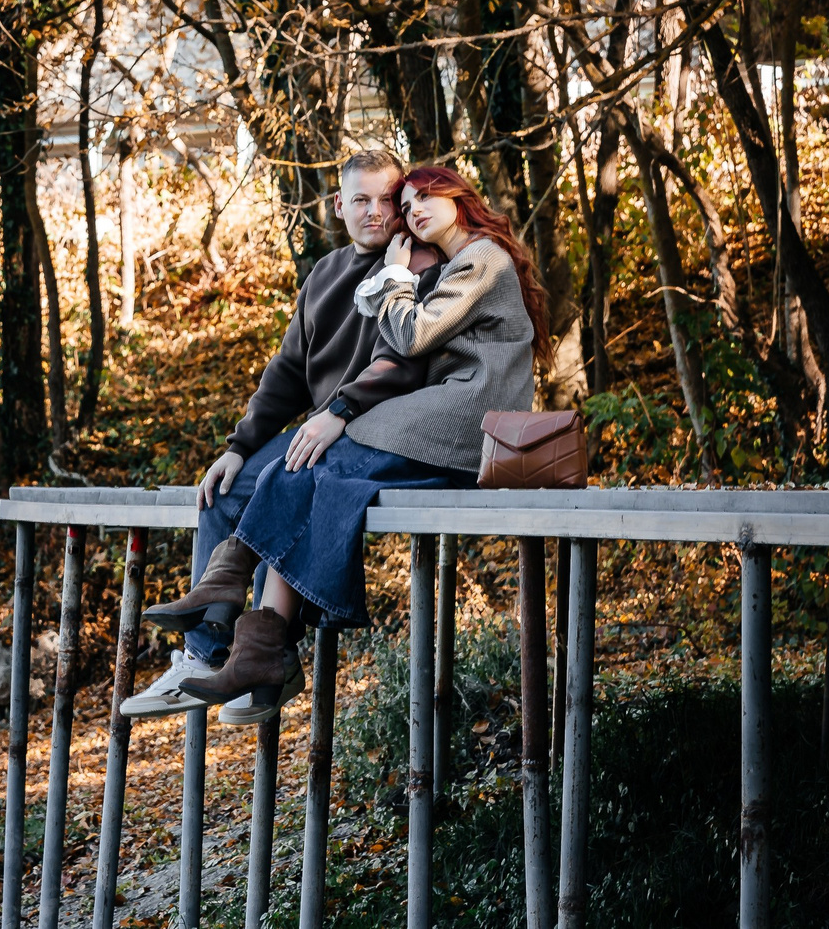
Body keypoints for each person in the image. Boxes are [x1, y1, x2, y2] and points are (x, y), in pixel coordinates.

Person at [169, 164, 545, 721]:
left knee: (320, 453)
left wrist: (393, 275)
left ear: (459, 198)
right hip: (446, 408)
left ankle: (239, 589)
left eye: (421, 199)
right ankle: (257, 641)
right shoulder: (359, 267)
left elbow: (409, 337)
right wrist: (245, 440)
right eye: (408, 201)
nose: (411, 210)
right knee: (316, 466)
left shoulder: (479, 257)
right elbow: (297, 366)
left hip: (472, 414)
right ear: (338, 206)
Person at [118, 149, 414, 721]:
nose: (376, 212)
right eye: (361, 200)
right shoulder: (324, 274)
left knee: (288, 478)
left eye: (386, 200)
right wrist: (238, 446)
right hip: (320, 425)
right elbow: (286, 372)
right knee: (224, 489)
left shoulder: (412, 264)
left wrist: (343, 414)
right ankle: (206, 656)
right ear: (339, 205)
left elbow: (402, 360)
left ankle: (262, 652)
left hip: (370, 432)